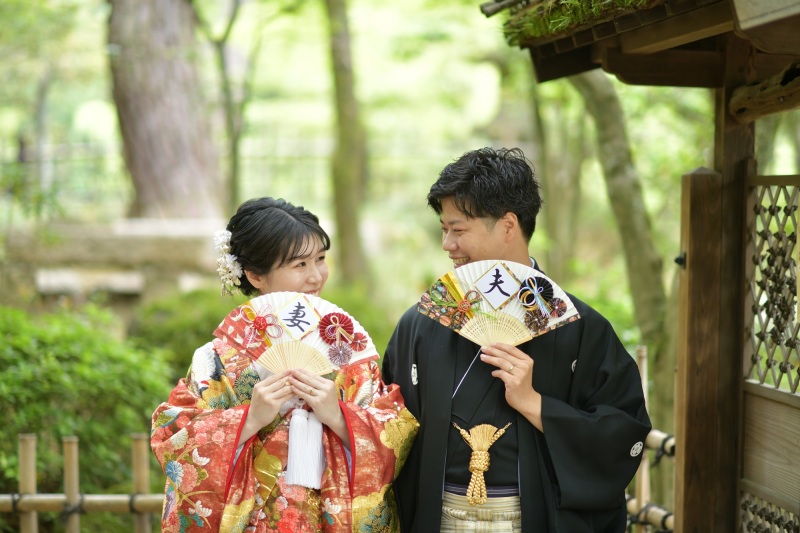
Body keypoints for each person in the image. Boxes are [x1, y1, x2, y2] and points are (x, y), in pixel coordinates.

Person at [382, 148, 652, 532]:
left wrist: (537, 405)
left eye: (458, 230)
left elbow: (622, 433)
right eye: (444, 229)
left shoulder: (579, 328)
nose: (447, 244)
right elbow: (386, 429)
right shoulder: (421, 323)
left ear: (508, 225)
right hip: (438, 520)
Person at [151, 197, 418, 532]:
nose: (316, 276)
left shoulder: (346, 352)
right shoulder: (218, 358)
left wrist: (338, 417)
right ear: (254, 275)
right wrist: (248, 419)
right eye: (299, 265)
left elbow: (395, 432)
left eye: (320, 259)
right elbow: (176, 438)